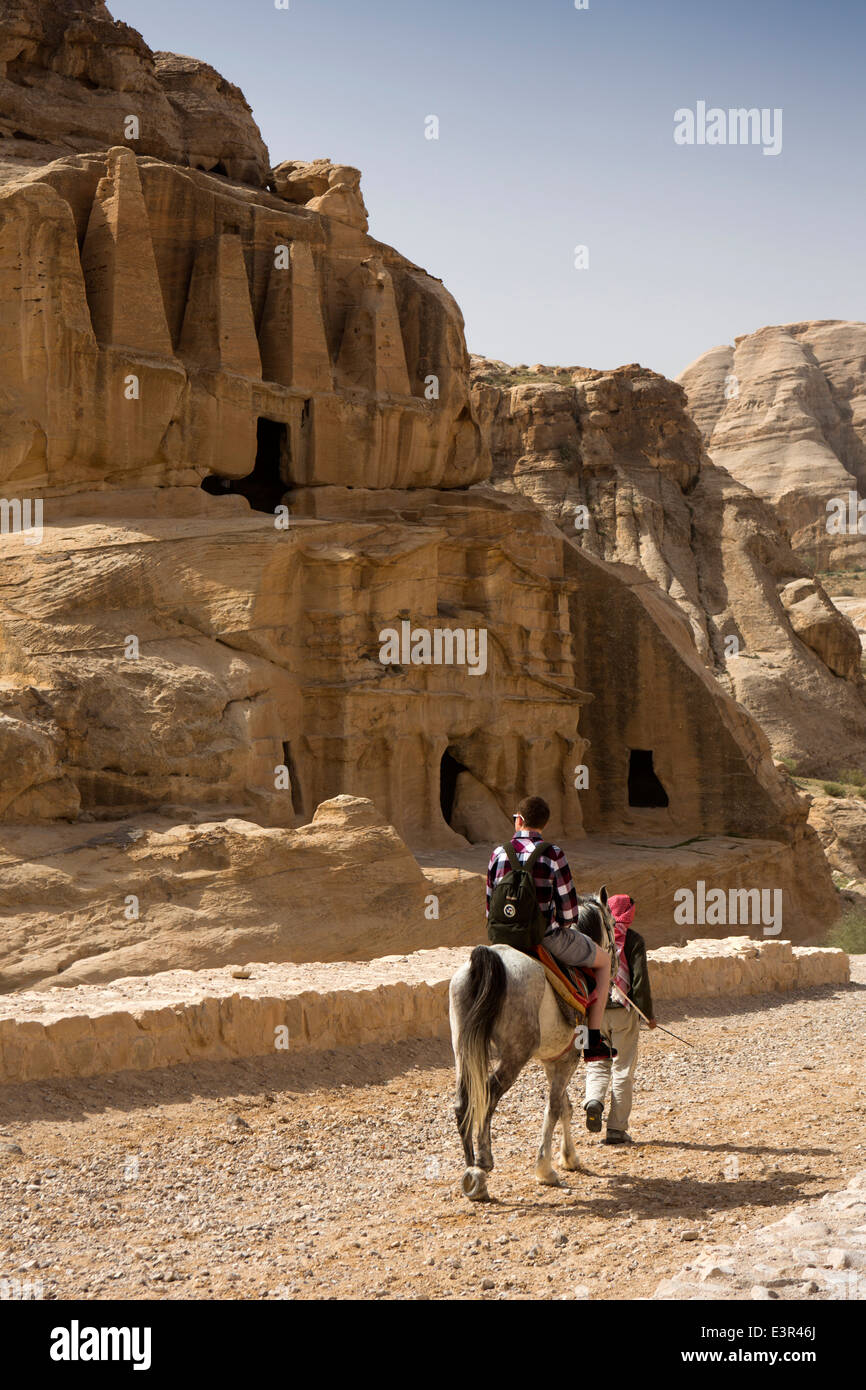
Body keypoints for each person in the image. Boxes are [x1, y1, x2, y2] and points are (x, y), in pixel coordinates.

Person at [486, 795, 616, 1062]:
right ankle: (592, 1042)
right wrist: (560, 922)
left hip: (503, 939)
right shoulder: (553, 854)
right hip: (545, 938)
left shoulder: (498, 853)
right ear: (543, 825)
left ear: (518, 820)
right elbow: (570, 913)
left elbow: (490, 908)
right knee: (603, 963)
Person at [583, 893, 655, 1144]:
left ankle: (593, 1100)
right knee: (622, 1069)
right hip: (624, 1011)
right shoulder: (634, 940)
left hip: (593, 1011)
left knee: (597, 1063)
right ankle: (615, 1129)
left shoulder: (593, 936)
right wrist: (648, 1015)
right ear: (629, 914)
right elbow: (639, 982)